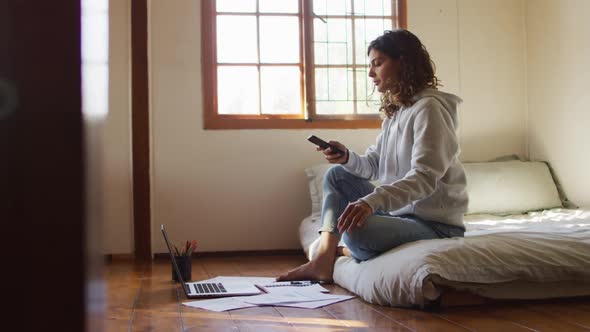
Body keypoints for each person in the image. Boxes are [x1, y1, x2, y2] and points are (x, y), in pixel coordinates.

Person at [277, 29, 468, 283]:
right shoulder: (397, 113)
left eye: (378, 63)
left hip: (434, 225)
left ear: (403, 62)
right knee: (337, 175)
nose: (371, 73)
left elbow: (424, 178)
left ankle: (336, 252)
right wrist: (346, 158)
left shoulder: (430, 109)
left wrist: (372, 202)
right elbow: (373, 166)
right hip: (399, 217)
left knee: (357, 232)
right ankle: (323, 258)